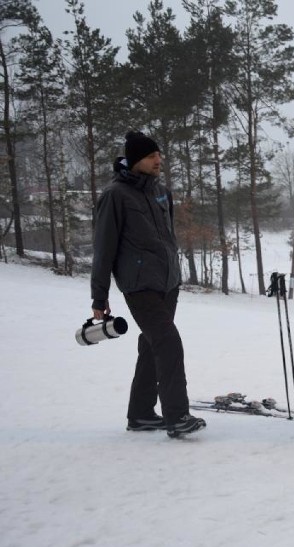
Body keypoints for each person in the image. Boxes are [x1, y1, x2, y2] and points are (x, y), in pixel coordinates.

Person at [89, 131, 205, 438]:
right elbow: (103, 249)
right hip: (139, 284)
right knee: (168, 342)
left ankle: (140, 414)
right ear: (136, 159)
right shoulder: (115, 195)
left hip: (167, 282)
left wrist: (175, 272)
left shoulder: (160, 191)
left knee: (152, 344)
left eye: (159, 155)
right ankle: (177, 417)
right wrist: (99, 298)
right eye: (152, 156)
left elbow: (167, 236)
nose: (159, 160)